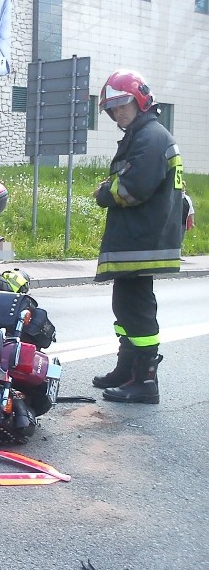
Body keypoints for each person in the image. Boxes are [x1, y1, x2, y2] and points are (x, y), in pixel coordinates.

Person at [91, 70, 183, 404]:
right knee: (126, 306)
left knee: (137, 309)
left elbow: (132, 188)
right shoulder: (145, 134)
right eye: (112, 108)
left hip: (141, 239)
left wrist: (104, 192)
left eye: (122, 104)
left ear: (140, 98)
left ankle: (145, 381)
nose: (118, 113)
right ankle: (127, 368)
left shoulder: (150, 137)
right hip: (139, 238)